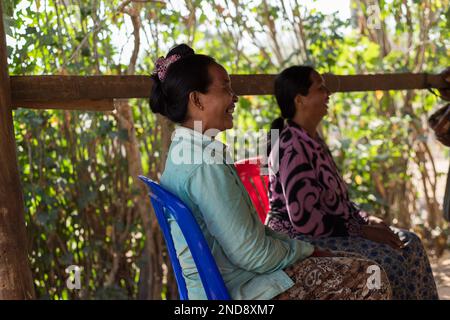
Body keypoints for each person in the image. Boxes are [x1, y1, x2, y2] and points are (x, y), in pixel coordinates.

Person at [149, 44, 391, 300]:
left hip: (230, 282)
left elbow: (252, 238)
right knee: (371, 277)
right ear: (196, 99)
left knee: (356, 265)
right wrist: (307, 251)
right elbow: (253, 254)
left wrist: (306, 250)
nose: (235, 97)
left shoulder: (186, 152)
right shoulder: (203, 164)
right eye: (226, 88)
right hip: (239, 292)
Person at [266, 65, 438, 300]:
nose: (328, 94)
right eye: (320, 88)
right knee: (389, 262)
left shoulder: (311, 139)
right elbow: (306, 221)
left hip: (330, 231)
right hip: (302, 240)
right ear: (300, 99)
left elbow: (336, 201)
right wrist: (361, 230)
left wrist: (366, 219)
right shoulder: (292, 145)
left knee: (410, 244)